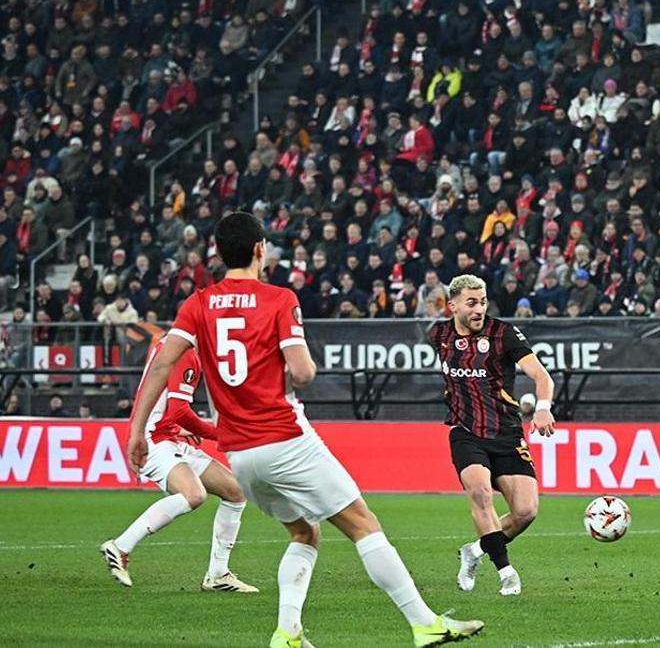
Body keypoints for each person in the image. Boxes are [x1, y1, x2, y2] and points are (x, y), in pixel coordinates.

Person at [125, 213, 482, 648]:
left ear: (218, 253)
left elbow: (161, 365)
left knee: (304, 532)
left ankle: (288, 633)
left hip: (240, 455)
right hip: (285, 438)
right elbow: (303, 372)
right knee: (362, 523)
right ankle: (425, 624)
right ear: (260, 249)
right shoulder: (278, 298)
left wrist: (137, 432)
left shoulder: (197, 304)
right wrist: (298, 361)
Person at [429, 274, 556, 597]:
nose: (479, 309)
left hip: (507, 432)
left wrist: (542, 408)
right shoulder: (438, 334)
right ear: (453, 306)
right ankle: (506, 573)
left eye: (483, 302)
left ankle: (474, 551)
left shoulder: (503, 333)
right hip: (465, 431)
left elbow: (541, 376)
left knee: (526, 512)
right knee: (481, 493)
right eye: (471, 303)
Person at [100, 340, 257, 593]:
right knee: (194, 495)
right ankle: (120, 546)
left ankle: (218, 575)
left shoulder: (171, 344)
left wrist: (176, 428)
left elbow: (163, 402)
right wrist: (220, 434)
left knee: (235, 492)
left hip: (165, 435)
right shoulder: (187, 353)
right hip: (153, 440)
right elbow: (180, 411)